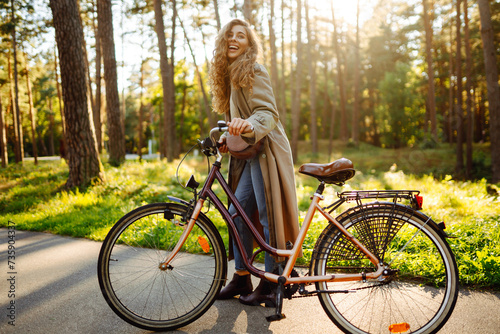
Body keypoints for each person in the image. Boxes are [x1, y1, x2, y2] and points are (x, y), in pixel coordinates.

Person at [208, 19, 300, 307]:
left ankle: (273, 282)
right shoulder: (231, 76)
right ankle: (241, 276)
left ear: (249, 45)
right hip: (249, 151)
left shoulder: (254, 70)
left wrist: (245, 126)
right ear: (224, 42)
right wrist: (228, 136)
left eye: (241, 37)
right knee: (238, 214)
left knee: (267, 213)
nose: (234, 40)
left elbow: (267, 113)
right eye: (230, 36)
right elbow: (239, 119)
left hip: (266, 150)